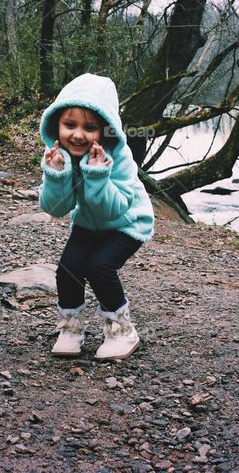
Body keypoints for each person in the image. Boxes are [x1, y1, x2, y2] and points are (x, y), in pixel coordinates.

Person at [38, 73, 154, 361]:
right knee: (69, 266)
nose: (78, 134)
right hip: (89, 222)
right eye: (70, 125)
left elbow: (113, 209)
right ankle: (71, 328)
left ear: (105, 130)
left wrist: (98, 174)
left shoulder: (120, 157)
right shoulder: (60, 154)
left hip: (127, 222)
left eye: (89, 127)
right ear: (57, 125)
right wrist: (56, 176)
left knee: (99, 265)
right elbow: (56, 209)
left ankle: (122, 330)